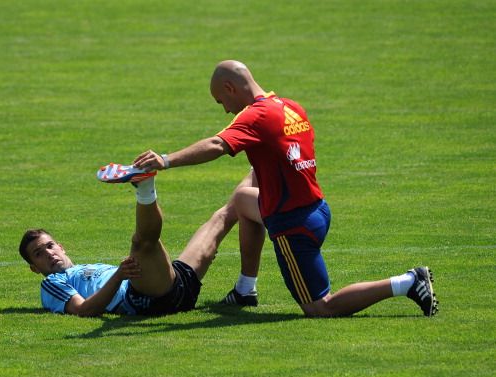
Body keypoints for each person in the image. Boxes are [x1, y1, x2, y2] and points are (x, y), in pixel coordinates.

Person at [110, 59, 438, 317]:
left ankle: (407, 282)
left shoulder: (254, 117)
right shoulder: (291, 107)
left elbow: (216, 144)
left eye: (220, 100)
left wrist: (165, 161)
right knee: (242, 201)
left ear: (229, 87)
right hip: (316, 207)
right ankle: (245, 289)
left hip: (293, 225)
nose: (224, 108)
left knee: (319, 307)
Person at [19, 171, 252, 317]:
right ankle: (145, 187)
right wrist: (120, 275)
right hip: (145, 299)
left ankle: (262, 162)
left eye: (49, 246)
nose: (48, 254)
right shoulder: (53, 282)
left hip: (172, 284)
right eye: (38, 254)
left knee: (224, 216)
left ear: (61, 246)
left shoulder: (81, 268)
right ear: (34, 268)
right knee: (142, 242)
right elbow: (83, 310)